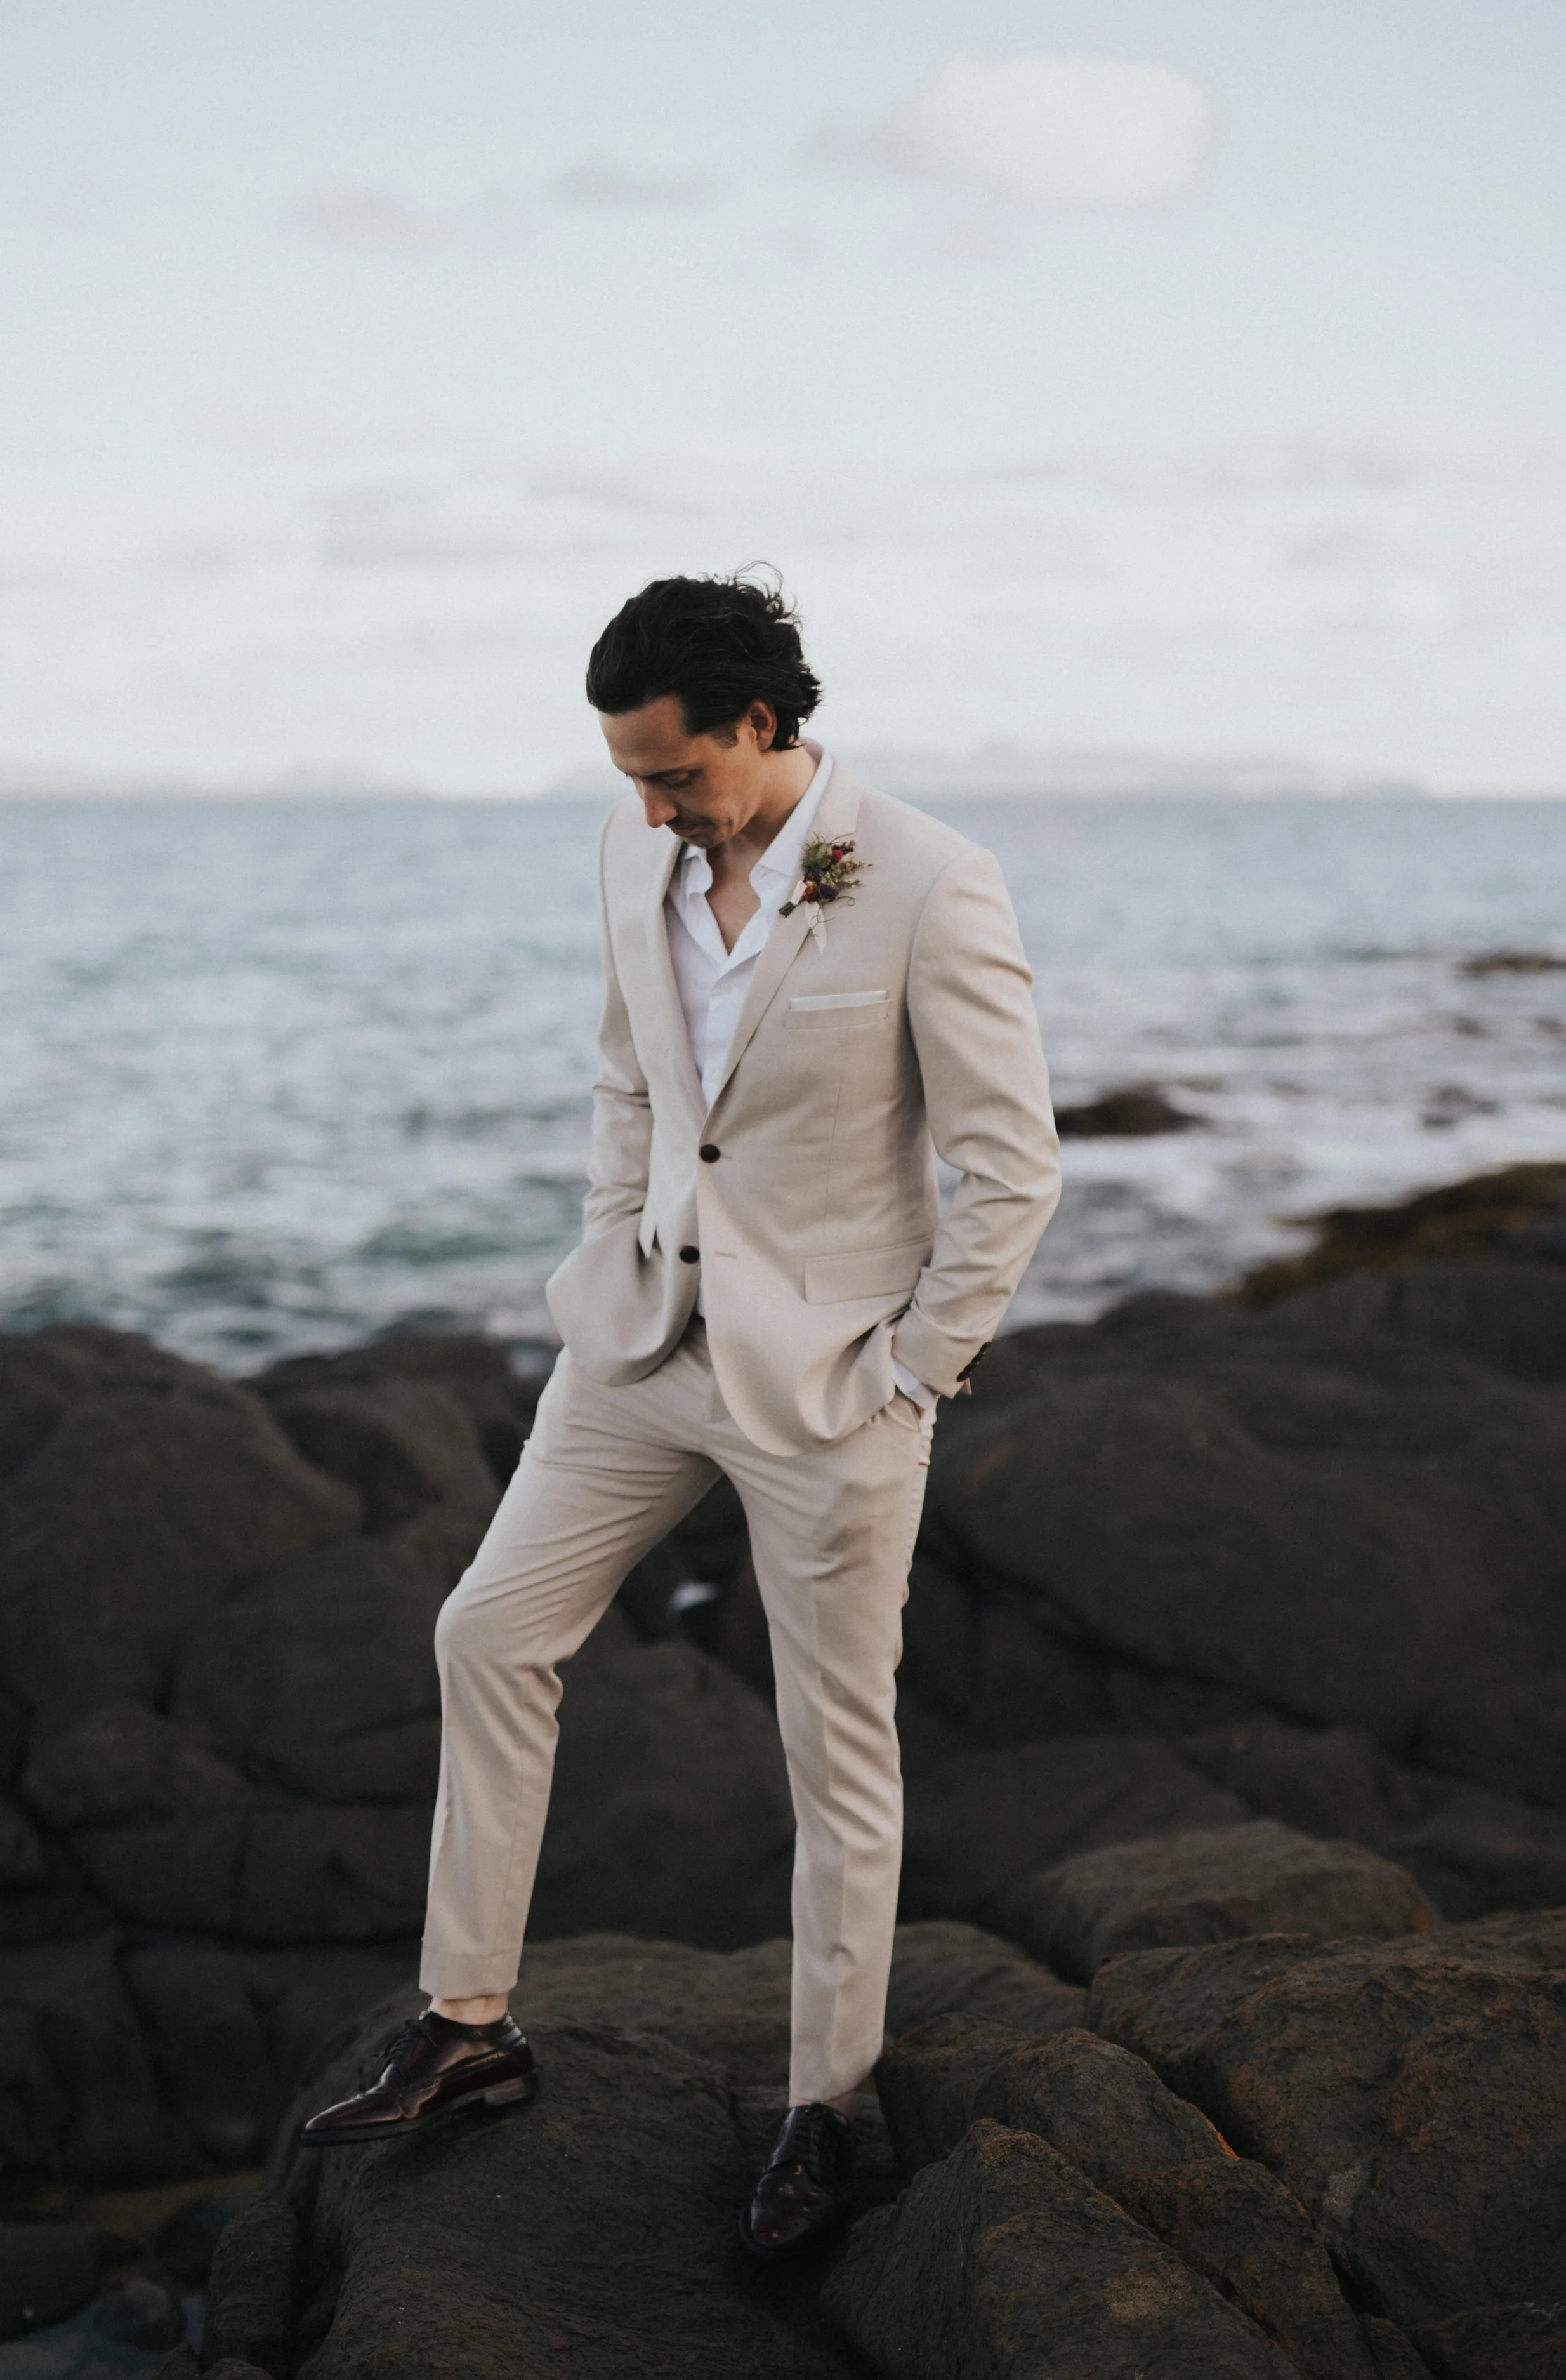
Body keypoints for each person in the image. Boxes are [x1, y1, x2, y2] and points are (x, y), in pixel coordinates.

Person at [299, 573, 1062, 2258]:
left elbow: (1013, 1163)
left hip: (830, 1386)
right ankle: (469, 2022)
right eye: (628, 777)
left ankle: (824, 2102)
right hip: (637, 1343)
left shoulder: (929, 882)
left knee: (828, 1753)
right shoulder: (624, 851)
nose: (650, 807)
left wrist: (916, 1368)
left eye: (675, 775)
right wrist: (603, 1244)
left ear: (761, 726)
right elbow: (630, 1075)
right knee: (486, 1630)